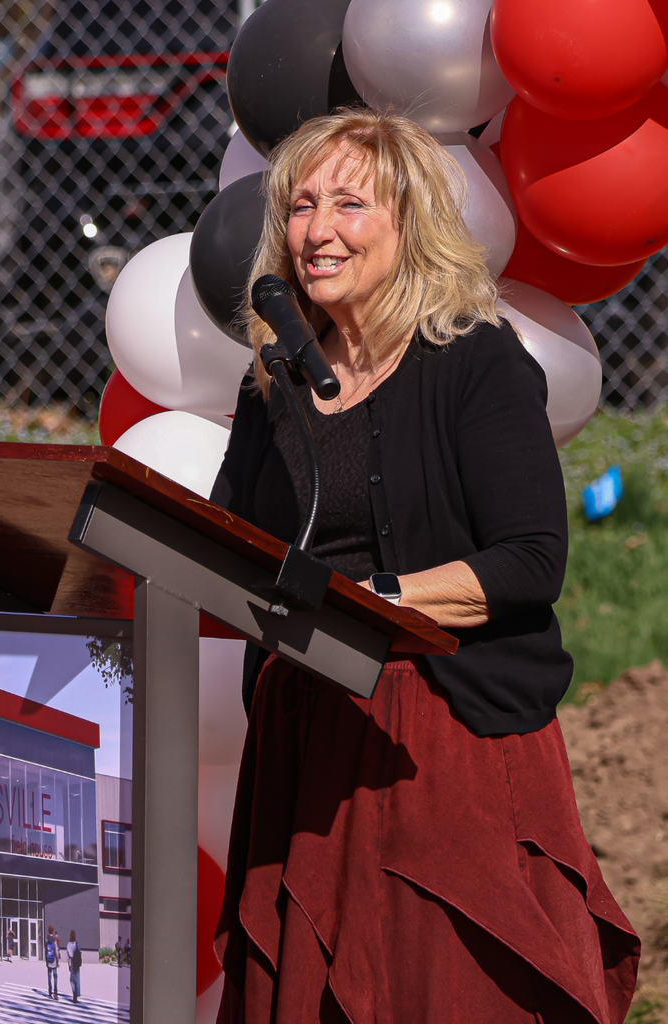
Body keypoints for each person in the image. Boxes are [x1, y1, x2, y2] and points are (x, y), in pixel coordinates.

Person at [210, 107, 640, 1024]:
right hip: (307, 731)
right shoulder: (274, 384)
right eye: (300, 206)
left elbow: (529, 561)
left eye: (349, 204)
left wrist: (377, 599)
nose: (317, 230)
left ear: (409, 226)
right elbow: (223, 541)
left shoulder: (473, 363)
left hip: (439, 737)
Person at [66, 929, 82, 1004]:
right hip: (77, 963)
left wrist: (68, 965)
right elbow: (80, 952)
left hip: (72, 962)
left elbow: (68, 956)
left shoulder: (68, 944)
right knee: (77, 979)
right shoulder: (77, 944)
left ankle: (74, 993)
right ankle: (77, 994)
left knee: (71, 979)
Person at [44, 925, 58, 1000]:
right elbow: (56, 951)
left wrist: (46, 960)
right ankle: (55, 993)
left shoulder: (46, 940)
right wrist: (58, 961)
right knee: (55, 977)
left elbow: (45, 950)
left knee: (49, 977)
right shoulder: (54, 940)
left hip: (49, 961)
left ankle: (50, 992)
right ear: (53, 931)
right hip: (54, 962)